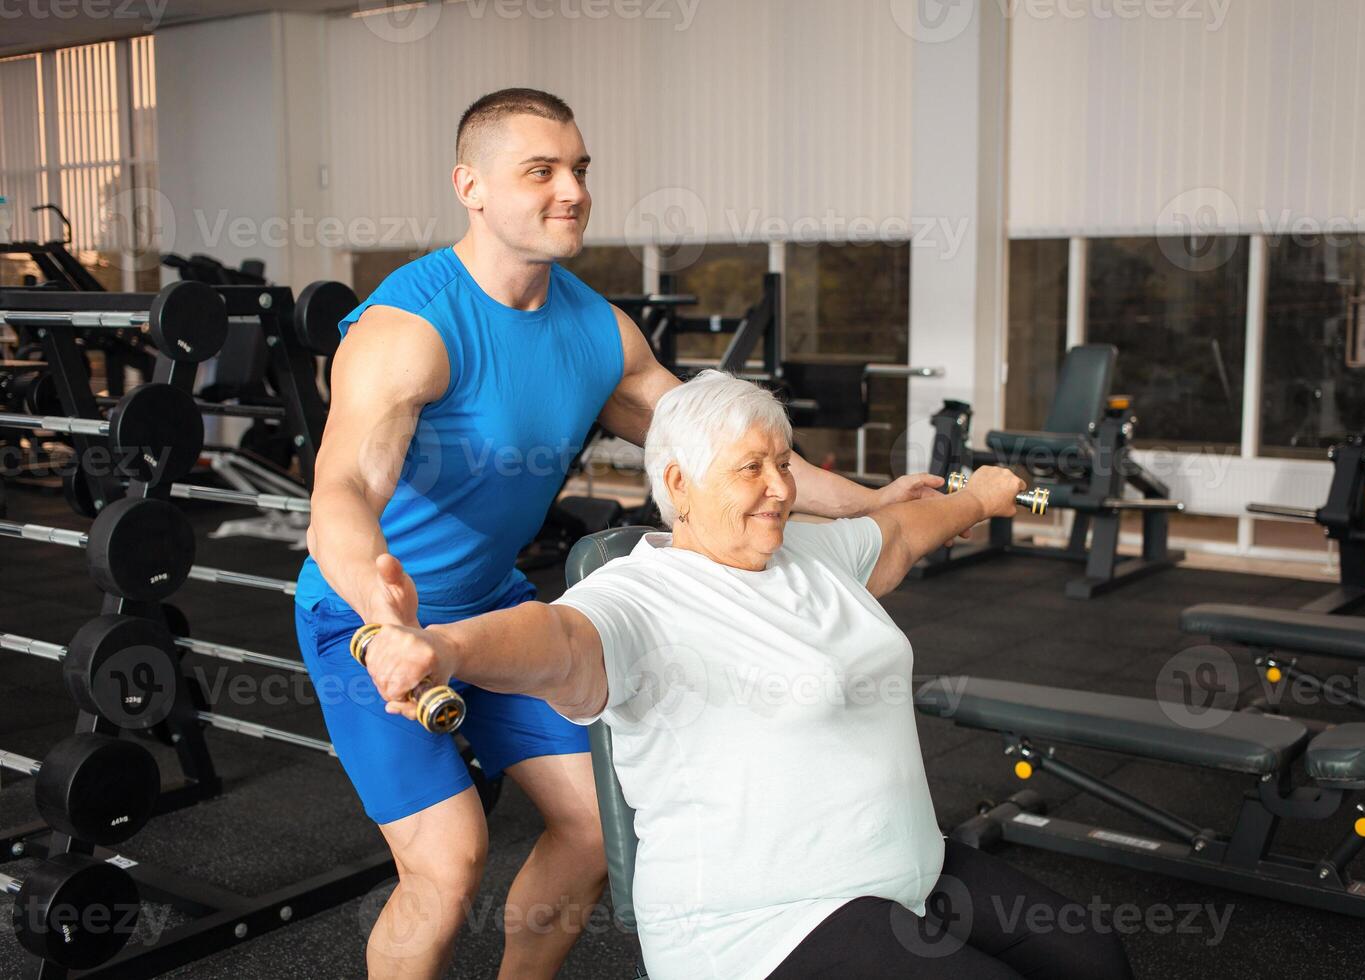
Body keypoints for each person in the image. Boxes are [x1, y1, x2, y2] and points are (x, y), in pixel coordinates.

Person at [298, 88, 954, 979]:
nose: (572, 190)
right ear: (472, 186)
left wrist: (871, 499)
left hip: (490, 601)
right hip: (366, 617)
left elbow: (727, 452)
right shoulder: (408, 331)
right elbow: (339, 493)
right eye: (541, 171)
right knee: (448, 867)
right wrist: (378, 601)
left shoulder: (598, 331)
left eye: (579, 169)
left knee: (595, 829)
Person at [355, 371, 1136, 980]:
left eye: (783, 462)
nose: (781, 487)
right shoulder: (637, 599)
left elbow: (898, 533)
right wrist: (447, 650)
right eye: (750, 468)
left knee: (1092, 957)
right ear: (681, 486)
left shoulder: (811, 554)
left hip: (906, 870)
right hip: (762, 921)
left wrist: (977, 499)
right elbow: (554, 638)